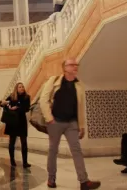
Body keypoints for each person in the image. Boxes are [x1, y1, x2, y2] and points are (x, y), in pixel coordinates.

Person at [39, 58, 101, 189]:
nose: (75, 66)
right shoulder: (54, 81)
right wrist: (49, 118)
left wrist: (82, 125)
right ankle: (51, 178)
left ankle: (84, 181)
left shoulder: (79, 85)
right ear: (64, 68)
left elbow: (80, 107)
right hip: (55, 121)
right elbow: (43, 100)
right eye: (72, 65)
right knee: (53, 150)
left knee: (76, 150)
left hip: (72, 123)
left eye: (76, 65)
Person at [0, 82, 31, 168]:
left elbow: (27, 108)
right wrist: (4, 103)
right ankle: (12, 161)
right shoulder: (12, 96)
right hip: (12, 121)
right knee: (12, 142)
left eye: (22, 87)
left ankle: (25, 162)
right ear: (16, 89)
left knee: (24, 142)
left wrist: (17, 108)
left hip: (21, 121)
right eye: (19, 87)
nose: (21, 88)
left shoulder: (27, 97)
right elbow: (2, 104)